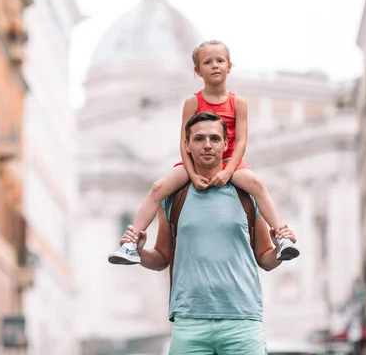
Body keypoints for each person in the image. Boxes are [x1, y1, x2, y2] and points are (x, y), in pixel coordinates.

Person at [120, 111, 297, 354]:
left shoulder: (247, 196)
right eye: (199, 139)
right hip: (189, 323)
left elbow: (265, 257)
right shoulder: (173, 198)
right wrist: (140, 252)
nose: (207, 145)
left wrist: (279, 251)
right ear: (187, 145)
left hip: (242, 322)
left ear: (225, 144)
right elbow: (161, 258)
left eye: (214, 139)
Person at [108, 40, 299, 265]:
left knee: (256, 184)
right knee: (158, 187)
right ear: (198, 71)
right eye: (208, 62)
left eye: (220, 61)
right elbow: (184, 142)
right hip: (194, 164)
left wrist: (228, 172)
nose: (215, 66)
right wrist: (192, 173)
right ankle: (131, 243)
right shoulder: (192, 102)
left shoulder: (238, 102)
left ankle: (281, 236)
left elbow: (240, 141)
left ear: (229, 66)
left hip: (230, 162)